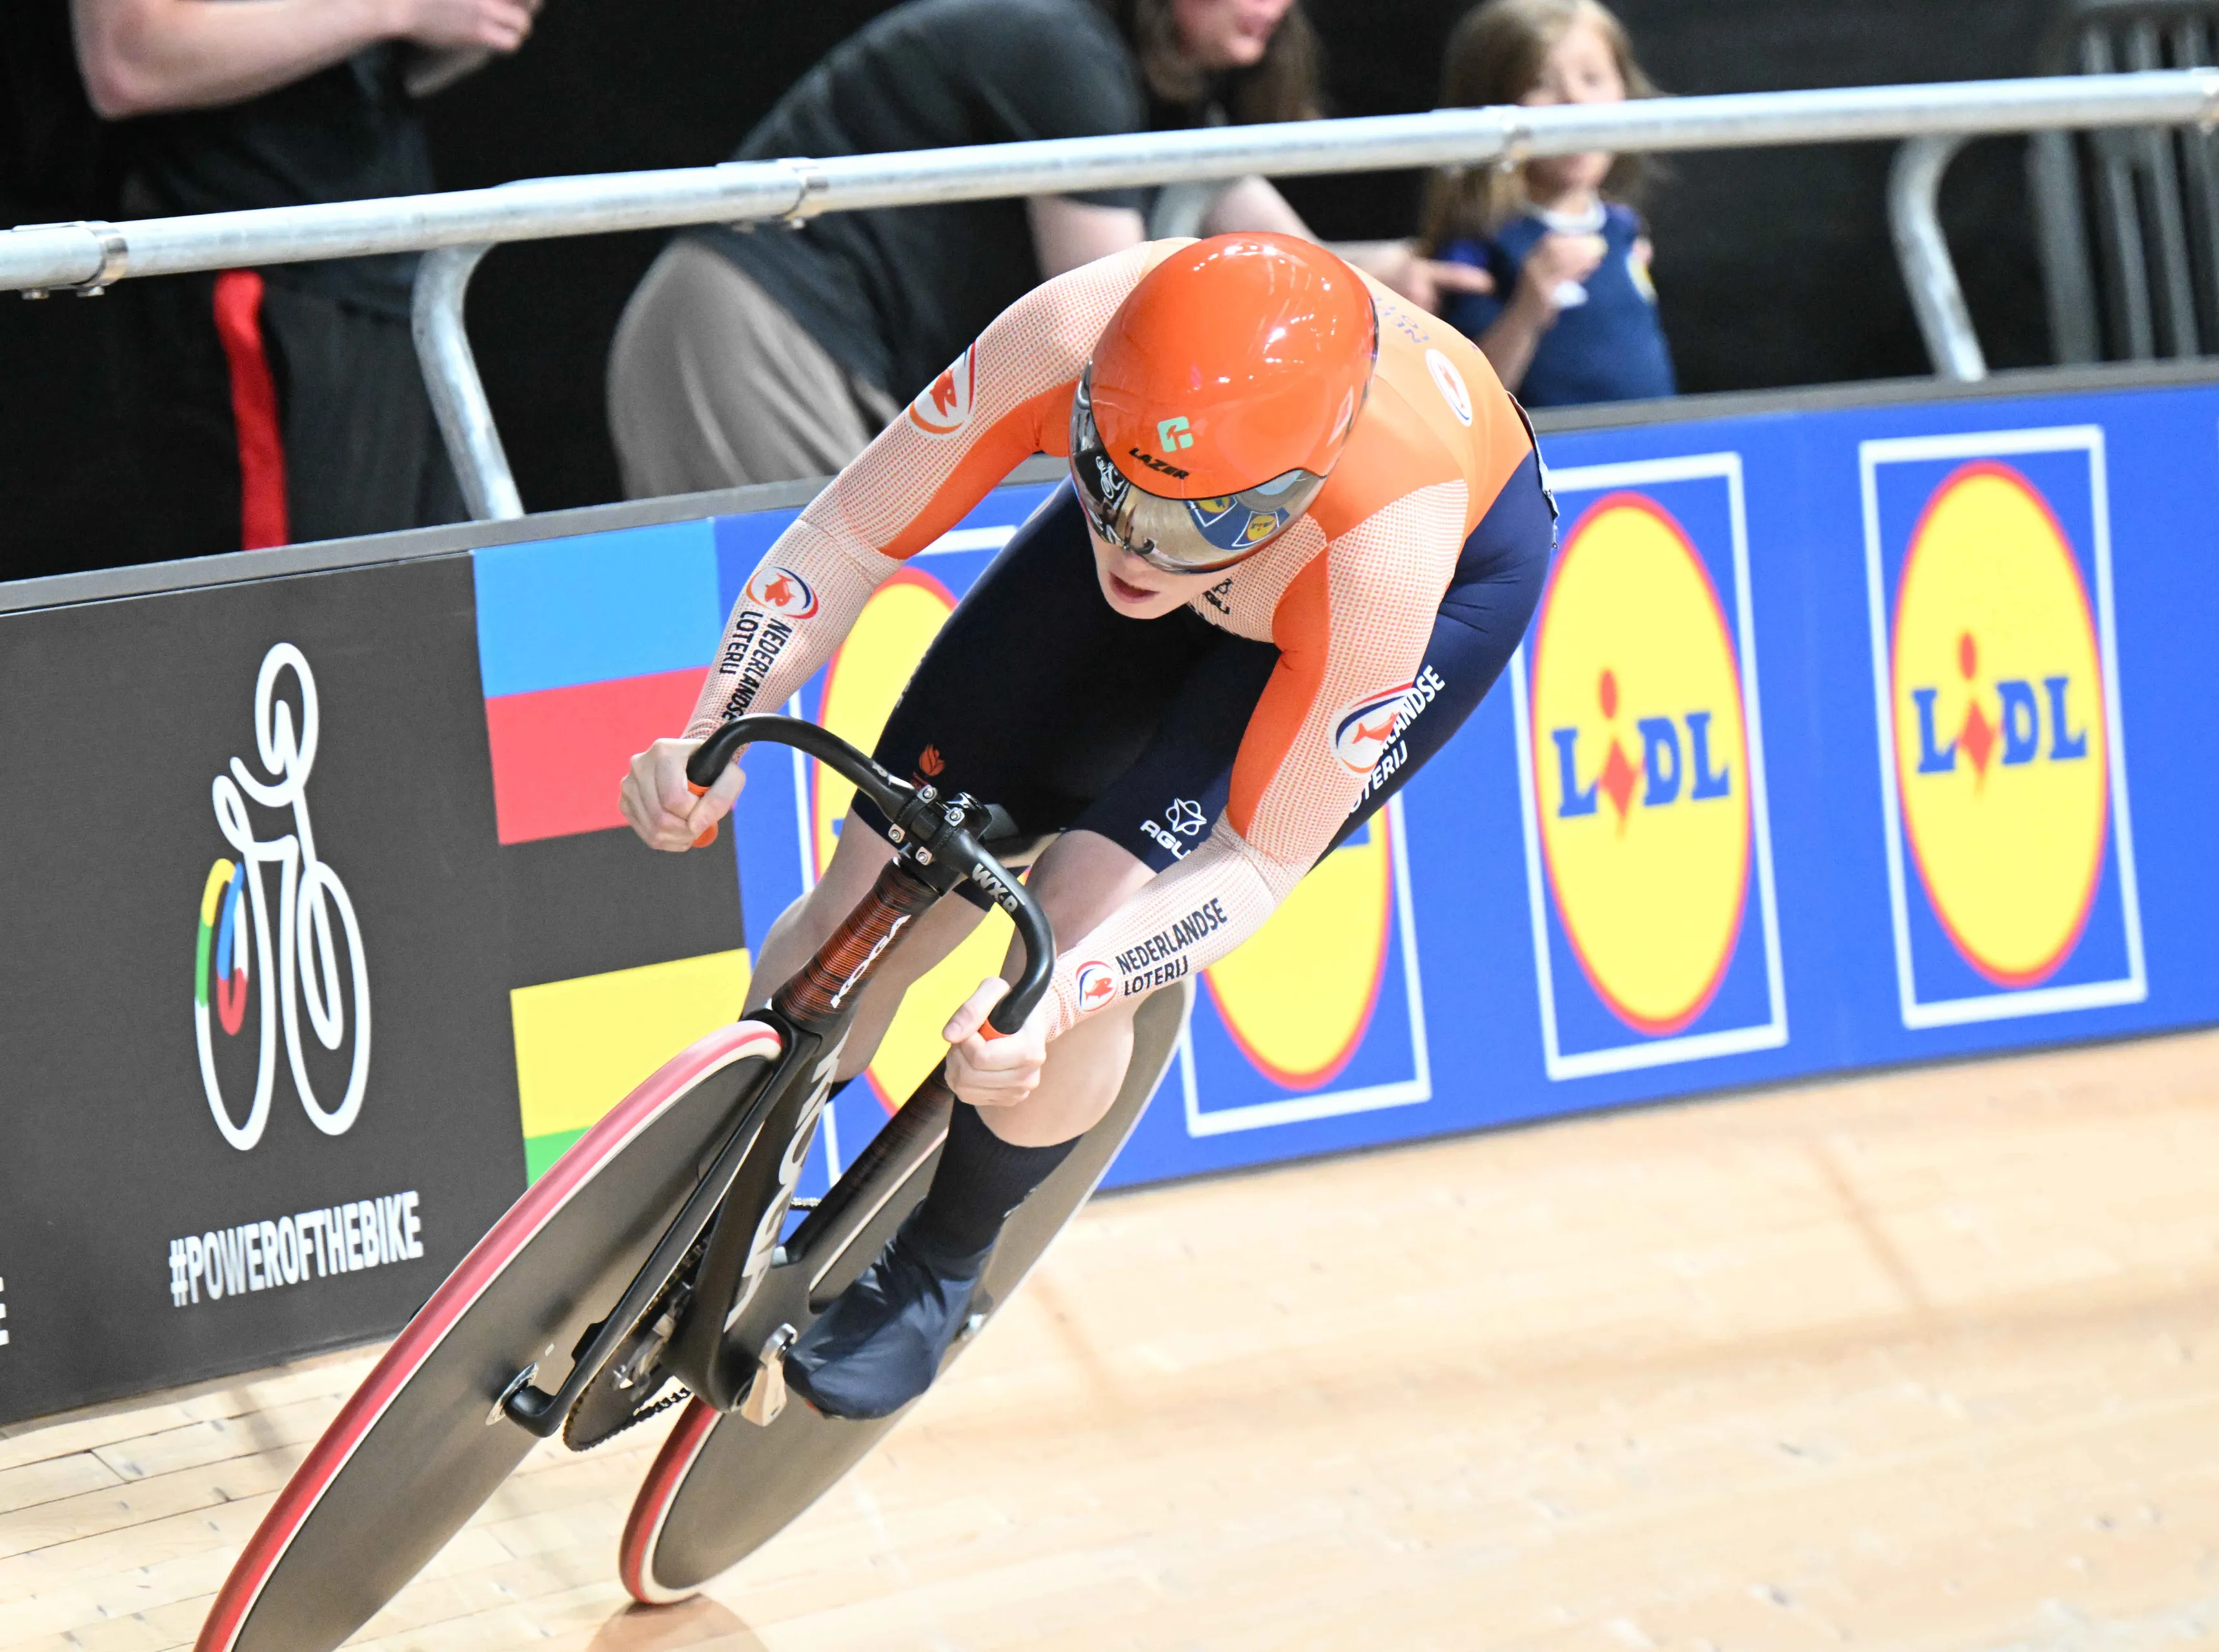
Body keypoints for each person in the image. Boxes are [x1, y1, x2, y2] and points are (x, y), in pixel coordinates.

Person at [619, 234, 1554, 1420]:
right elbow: (849, 533)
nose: (1132, 557)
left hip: (1378, 581)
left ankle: (943, 1267)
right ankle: (733, 1188)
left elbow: (1258, 865)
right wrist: (716, 725)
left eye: (1188, 526)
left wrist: (1069, 991)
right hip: (1228, 485)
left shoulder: (1385, 557)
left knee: (1062, 953)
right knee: (865, 898)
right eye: (1106, 494)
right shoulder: (1068, 336)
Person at [605, 0, 1487, 501]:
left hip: (830, 347)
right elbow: (1113, 322)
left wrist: (1400, 279)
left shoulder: (1167, 93)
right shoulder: (1065, 50)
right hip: (753, 329)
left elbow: (1293, 260)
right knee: (807, 631)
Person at [70, 0, 540, 553]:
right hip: (247, 285)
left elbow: (373, 69)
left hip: (395, 277)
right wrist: (400, 8)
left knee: (414, 616)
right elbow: (129, 58)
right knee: (287, 623)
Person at [1423, 0, 1677, 408]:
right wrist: (1528, 308)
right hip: (1554, 464)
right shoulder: (1480, 242)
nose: (1574, 102)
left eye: (1593, 79)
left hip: (1653, 455)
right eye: (1540, 84)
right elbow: (1466, 404)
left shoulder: (1622, 226)